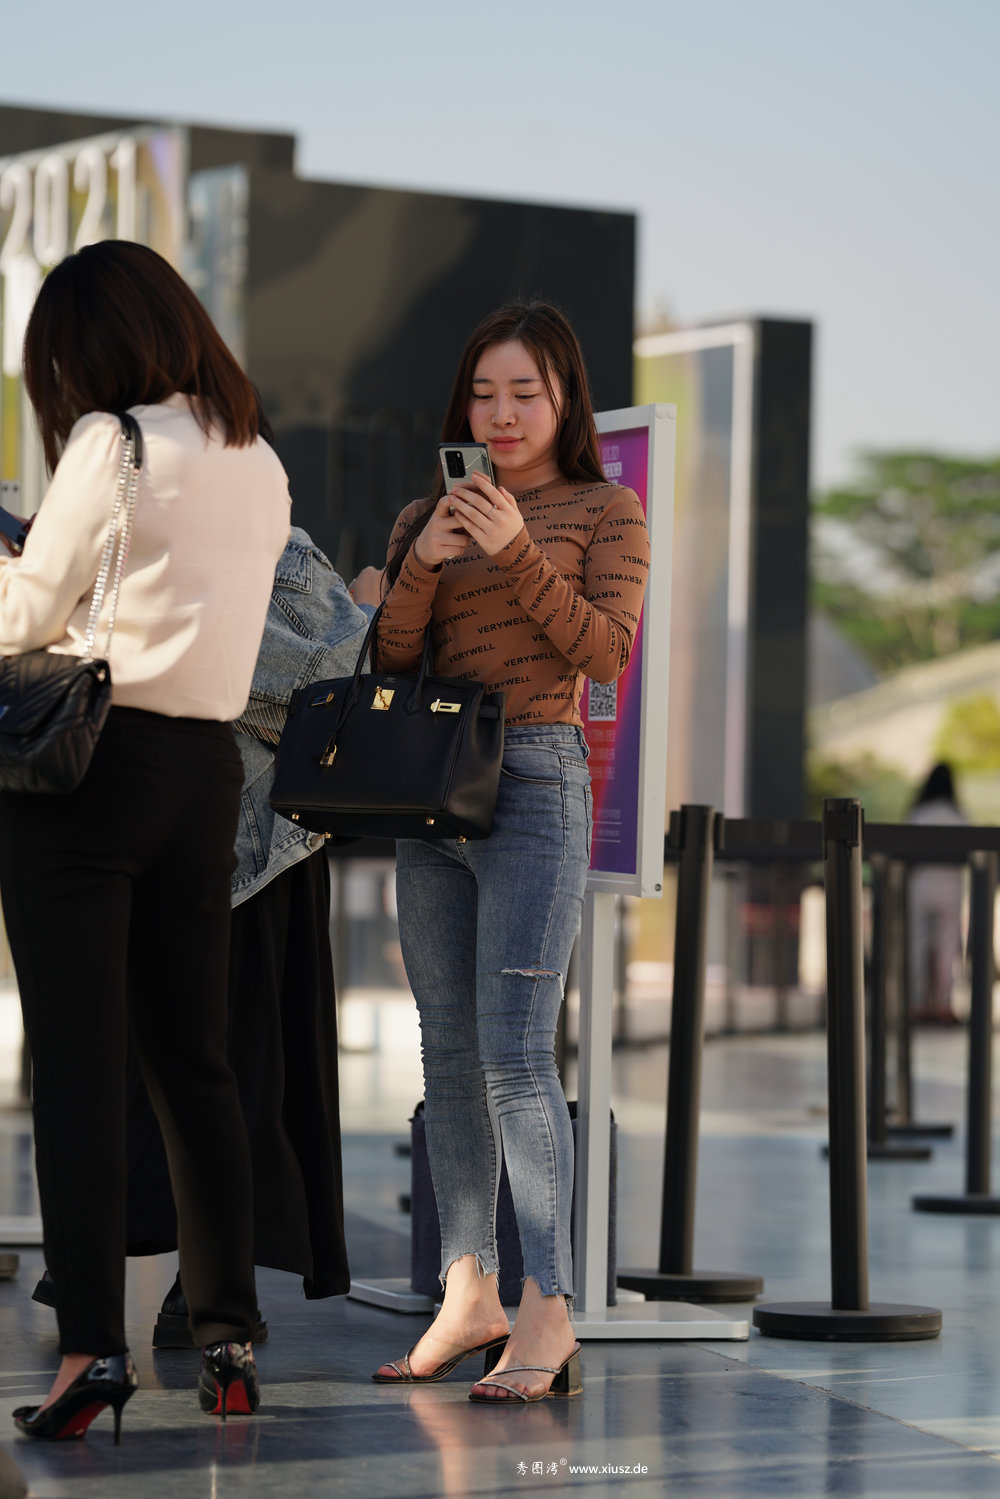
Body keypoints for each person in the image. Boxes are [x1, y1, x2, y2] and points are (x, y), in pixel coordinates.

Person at [0, 240, 290, 1442]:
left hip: (86, 765)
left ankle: (91, 1351)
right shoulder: (256, 454)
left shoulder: (109, 441)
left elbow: (30, 614)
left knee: (77, 1067)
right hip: (202, 770)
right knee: (192, 1063)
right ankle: (228, 1336)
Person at [369, 302, 649, 1402]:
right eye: (484, 394)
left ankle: (549, 1306)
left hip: (533, 776)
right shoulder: (423, 514)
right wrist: (423, 563)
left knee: (517, 1055)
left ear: (564, 399)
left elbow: (604, 651)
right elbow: (390, 657)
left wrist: (516, 552)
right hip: (429, 783)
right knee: (445, 1053)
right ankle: (467, 1291)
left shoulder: (606, 509)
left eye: (524, 393)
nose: (502, 414)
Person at [119, 525, 378, 1342]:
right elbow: (325, 689)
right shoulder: (276, 547)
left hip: (161, 832)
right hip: (253, 848)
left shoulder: (128, 543)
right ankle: (203, 1291)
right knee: (240, 1069)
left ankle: (142, 1276)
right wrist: (371, 611)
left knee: (160, 1061)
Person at [907, 762, 967, 1025]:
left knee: (917, 946)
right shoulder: (957, 815)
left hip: (921, 885)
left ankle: (918, 1003)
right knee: (947, 947)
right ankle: (943, 1004)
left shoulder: (919, 813)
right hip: (949, 887)